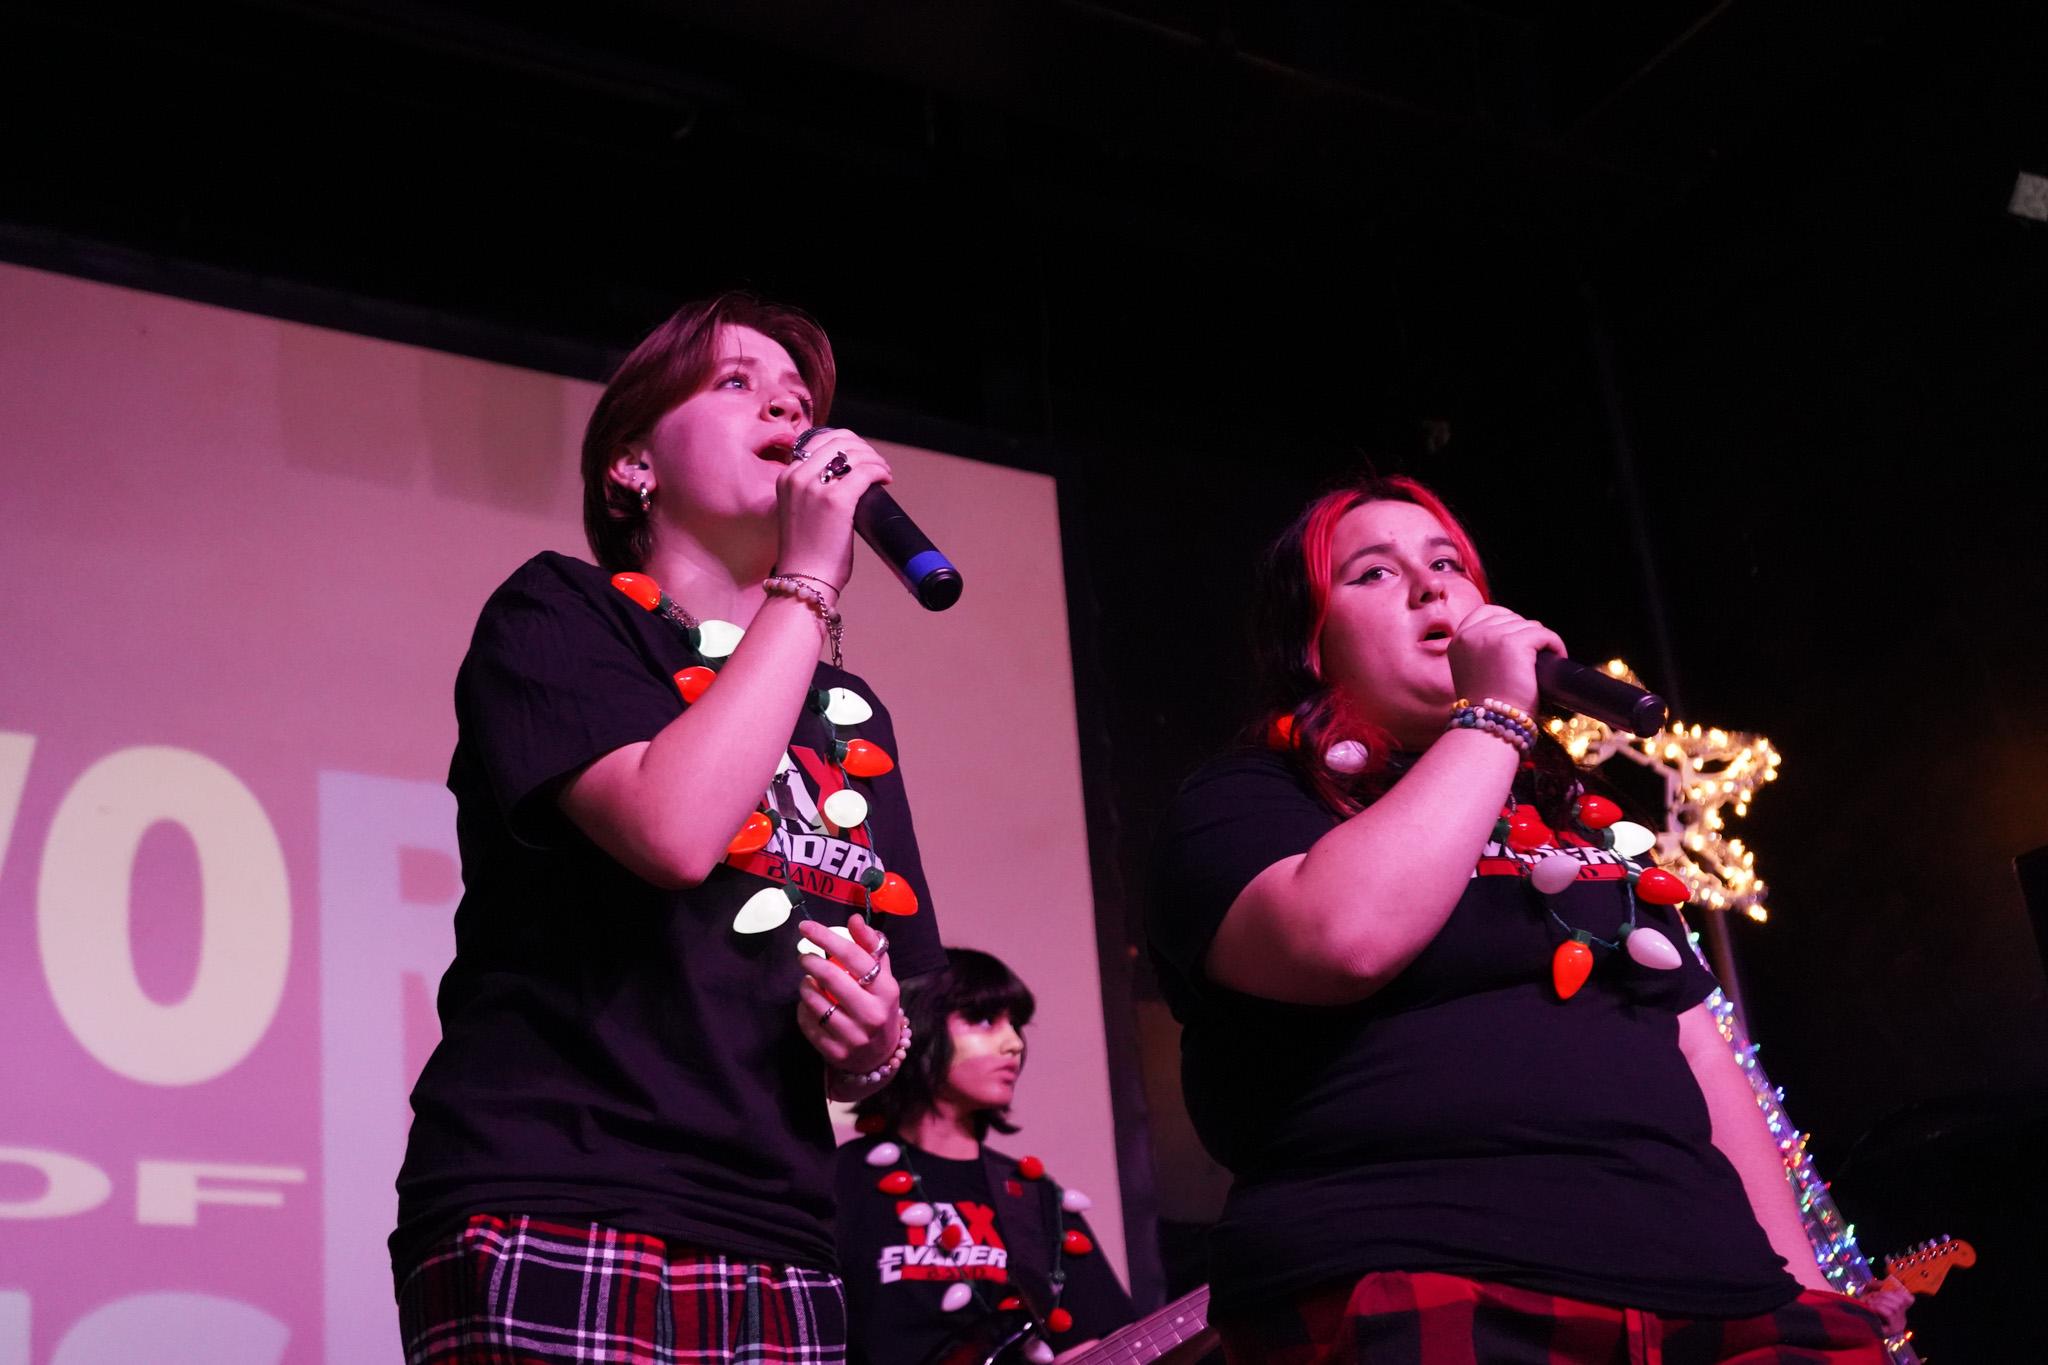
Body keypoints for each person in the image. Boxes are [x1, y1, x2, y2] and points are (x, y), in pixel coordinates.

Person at [1145, 474, 1909, 1363]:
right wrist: (1498, 713)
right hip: (1425, 1273)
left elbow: (1697, 1044)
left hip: (1715, 1287)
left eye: (1444, 563)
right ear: (1310, 645)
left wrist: (1801, 1284)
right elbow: (1343, 937)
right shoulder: (1246, 801)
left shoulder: (1579, 816)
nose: (1431, 586)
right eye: (1373, 574)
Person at [391, 292, 946, 1363]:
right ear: (630, 463)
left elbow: (889, 1006)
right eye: (736, 384)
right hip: (560, 1195)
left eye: (798, 398)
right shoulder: (559, 615)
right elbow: (674, 829)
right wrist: (811, 577)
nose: (784, 410)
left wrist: (873, 1046)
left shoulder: (844, 713)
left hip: (780, 1227)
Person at [834, 948, 1139, 1365]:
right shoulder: (837, 1181)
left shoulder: (1036, 1197)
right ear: (917, 1024)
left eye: (1015, 1025)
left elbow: (1098, 1341)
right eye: (983, 1020)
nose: (1014, 1044)